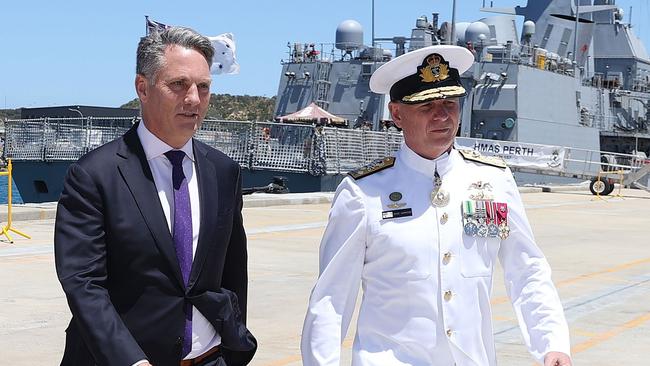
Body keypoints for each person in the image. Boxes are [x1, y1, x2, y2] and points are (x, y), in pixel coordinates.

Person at [301, 45, 572, 366]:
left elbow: (527, 270)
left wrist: (552, 343)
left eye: (449, 103)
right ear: (397, 114)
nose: (442, 115)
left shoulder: (495, 180)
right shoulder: (363, 193)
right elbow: (331, 298)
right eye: (426, 105)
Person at [54, 26, 256, 366]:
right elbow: (83, 283)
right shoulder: (94, 175)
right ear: (142, 88)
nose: (194, 98)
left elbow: (234, 271)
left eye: (203, 87)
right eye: (178, 84)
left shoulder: (223, 172)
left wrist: (232, 347)